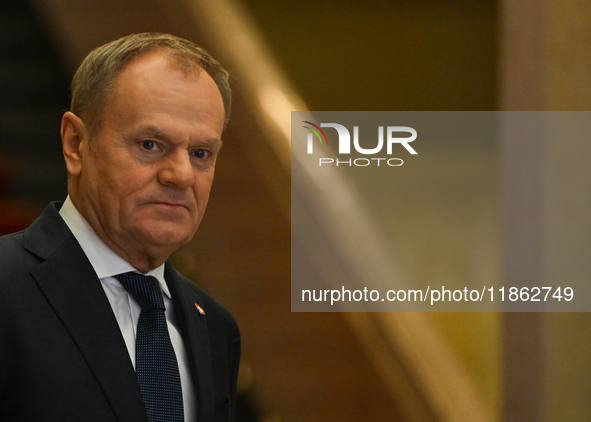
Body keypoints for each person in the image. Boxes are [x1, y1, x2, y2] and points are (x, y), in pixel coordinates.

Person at [0, 33, 240, 422]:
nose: (180, 175)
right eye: (150, 144)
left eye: (201, 154)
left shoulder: (214, 327)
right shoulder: (7, 288)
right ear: (75, 144)